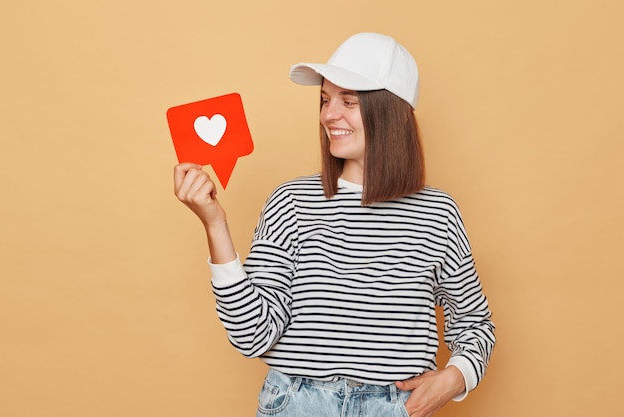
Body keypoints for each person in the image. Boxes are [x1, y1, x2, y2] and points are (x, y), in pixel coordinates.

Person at [174, 32, 495, 417]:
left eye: (349, 101)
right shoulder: (290, 202)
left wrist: (455, 378)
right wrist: (215, 224)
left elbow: (474, 323)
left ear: (390, 112)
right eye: (326, 100)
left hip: (393, 407)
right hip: (296, 404)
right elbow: (253, 336)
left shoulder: (437, 214)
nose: (329, 114)